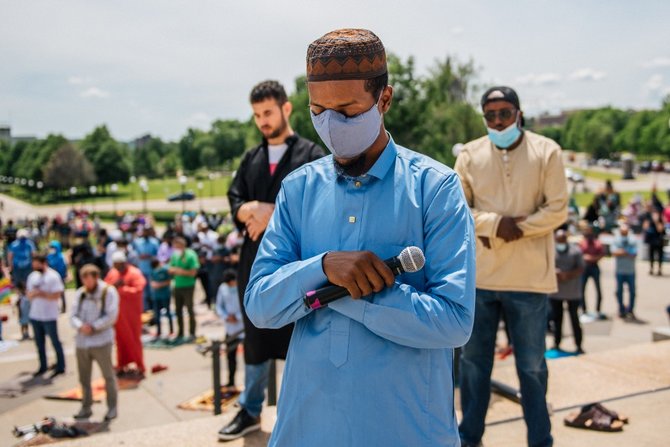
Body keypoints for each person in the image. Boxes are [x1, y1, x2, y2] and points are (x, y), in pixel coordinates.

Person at [238, 29, 475, 446]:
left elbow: (454, 322)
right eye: (318, 111)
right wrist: (325, 267)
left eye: (347, 112)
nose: (331, 126)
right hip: (305, 426)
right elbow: (260, 304)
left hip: (407, 429)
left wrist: (352, 293)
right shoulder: (298, 190)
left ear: (384, 99)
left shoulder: (434, 189)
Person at [455, 85, 568, 447]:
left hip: (529, 281)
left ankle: (540, 440)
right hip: (480, 279)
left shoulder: (547, 151)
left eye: (505, 113)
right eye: (491, 115)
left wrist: (514, 228)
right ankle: (469, 439)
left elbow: (558, 210)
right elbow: (459, 211)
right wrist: (492, 224)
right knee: (473, 367)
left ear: (518, 114)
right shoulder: (470, 155)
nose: (499, 121)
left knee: (532, 368)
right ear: (484, 117)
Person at [220, 78, 326, 441]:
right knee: (255, 338)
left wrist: (271, 210)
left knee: (302, 336)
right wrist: (247, 208)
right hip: (254, 264)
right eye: (256, 115)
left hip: (296, 264)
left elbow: (319, 204)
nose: (263, 121)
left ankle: (300, 414)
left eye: (267, 112)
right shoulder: (251, 158)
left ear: (285, 108)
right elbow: (234, 198)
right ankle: (250, 410)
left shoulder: (312, 155)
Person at [71, 264, 120, 421]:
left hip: (101, 341)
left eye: (89, 280)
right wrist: (80, 326)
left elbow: (112, 315)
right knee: (84, 378)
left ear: (96, 278)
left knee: (108, 376)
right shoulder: (81, 293)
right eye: (83, 280)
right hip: (83, 342)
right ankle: (86, 407)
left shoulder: (108, 292)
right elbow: (72, 315)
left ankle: (112, 407)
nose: (86, 283)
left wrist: (94, 326)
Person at [105, 251, 147, 377]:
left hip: (132, 315)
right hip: (118, 315)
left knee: (134, 339)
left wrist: (122, 289)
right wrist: (114, 286)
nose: (117, 267)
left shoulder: (134, 273)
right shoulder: (113, 273)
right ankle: (122, 365)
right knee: (120, 340)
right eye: (115, 265)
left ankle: (140, 366)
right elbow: (105, 287)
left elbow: (139, 289)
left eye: (119, 264)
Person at [26, 253, 66, 378]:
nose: (34, 265)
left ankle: (61, 366)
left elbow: (57, 295)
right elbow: (28, 294)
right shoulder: (32, 276)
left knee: (55, 341)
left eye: (36, 263)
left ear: (43, 263)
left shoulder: (53, 276)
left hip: (49, 315)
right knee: (39, 343)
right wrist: (33, 294)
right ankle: (42, 366)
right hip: (35, 315)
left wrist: (42, 294)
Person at [551, 230, 585, 353]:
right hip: (556, 292)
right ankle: (556, 343)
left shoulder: (575, 251)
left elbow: (581, 268)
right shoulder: (551, 250)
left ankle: (579, 344)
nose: (560, 243)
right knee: (557, 319)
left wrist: (567, 275)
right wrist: (556, 272)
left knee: (574, 319)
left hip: (573, 292)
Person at [215, 269, 243, 388]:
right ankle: (231, 381)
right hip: (230, 328)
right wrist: (226, 316)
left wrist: (237, 317)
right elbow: (219, 306)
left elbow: (246, 305)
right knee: (230, 357)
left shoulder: (242, 286)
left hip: (242, 328)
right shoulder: (223, 288)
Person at [167, 237, 199, 341]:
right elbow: (170, 268)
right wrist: (176, 271)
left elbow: (193, 272)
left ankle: (192, 332)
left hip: (188, 286)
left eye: (177, 245)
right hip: (177, 285)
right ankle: (180, 332)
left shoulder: (191, 255)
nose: (176, 248)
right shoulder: (175, 255)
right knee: (177, 310)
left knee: (190, 309)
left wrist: (181, 271)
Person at [612, 223, 638, 320]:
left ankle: (630, 309)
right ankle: (621, 309)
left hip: (630, 271)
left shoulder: (633, 240)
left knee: (632, 292)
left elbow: (634, 253)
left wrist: (622, 252)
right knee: (619, 291)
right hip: (620, 270)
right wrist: (626, 252)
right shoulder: (616, 239)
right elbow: (614, 252)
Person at [579, 224, 605, 318]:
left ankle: (598, 310)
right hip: (584, 268)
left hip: (594, 267)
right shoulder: (582, 243)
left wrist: (592, 258)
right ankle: (584, 310)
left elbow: (602, 254)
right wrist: (586, 258)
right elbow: (579, 255)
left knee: (598, 289)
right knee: (581, 289)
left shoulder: (597, 242)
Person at [132, 227, 160, 310]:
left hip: (152, 270)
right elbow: (134, 254)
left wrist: (150, 256)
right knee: (143, 292)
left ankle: (154, 310)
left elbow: (158, 255)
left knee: (152, 291)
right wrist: (140, 256)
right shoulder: (138, 242)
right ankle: (145, 309)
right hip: (141, 269)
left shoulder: (154, 242)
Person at [150, 258, 173, 339]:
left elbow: (169, 281)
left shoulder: (165, 270)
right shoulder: (153, 272)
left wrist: (160, 284)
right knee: (157, 314)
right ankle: (159, 332)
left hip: (165, 295)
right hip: (156, 296)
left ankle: (171, 331)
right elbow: (152, 283)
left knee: (168, 313)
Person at [641, 202, 665, 276]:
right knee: (651, 255)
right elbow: (645, 227)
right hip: (651, 240)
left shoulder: (660, 219)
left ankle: (659, 269)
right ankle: (651, 268)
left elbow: (660, 229)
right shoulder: (648, 218)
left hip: (659, 240)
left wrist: (657, 221)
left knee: (660, 256)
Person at [46, 240, 68, 313]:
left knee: (61, 293)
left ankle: (64, 307)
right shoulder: (49, 256)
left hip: (60, 277)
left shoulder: (61, 256)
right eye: (51, 247)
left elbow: (64, 267)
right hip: (51, 278)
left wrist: (64, 275)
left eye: (53, 247)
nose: (52, 249)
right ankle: (55, 307)